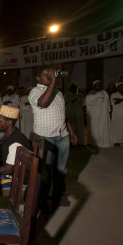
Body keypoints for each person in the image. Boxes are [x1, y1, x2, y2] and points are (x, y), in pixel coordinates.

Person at [29, 67, 77, 208]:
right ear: (38, 78)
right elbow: (43, 103)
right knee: (45, 171)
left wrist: (71, 131)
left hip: (62, 135)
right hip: (45, 137)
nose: (50, 76)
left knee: (61, 169)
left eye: (51, 74)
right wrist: (53, 82)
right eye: (46, 75)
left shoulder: (58, 92)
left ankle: (60, 196)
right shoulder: (35, 92)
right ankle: (42, 199)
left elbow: (63, 113)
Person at [0, 105, 31, 190]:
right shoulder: (12, 134)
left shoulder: (15, 143)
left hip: (18, 181)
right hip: (15, 176)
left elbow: (8, 169)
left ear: (9, 123)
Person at [85, 80, 112, 147]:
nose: (99, 86)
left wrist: (109, 109)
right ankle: (93, 143)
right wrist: (98, 100)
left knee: (104, 128)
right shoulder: (90, 94)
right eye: (97, 84)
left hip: (104, 114)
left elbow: (108, 102)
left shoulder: (105, 92)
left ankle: (105, 143)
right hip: (94, 115)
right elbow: (87, 103)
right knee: (94, 129)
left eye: (100, 84)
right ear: (93, 86)